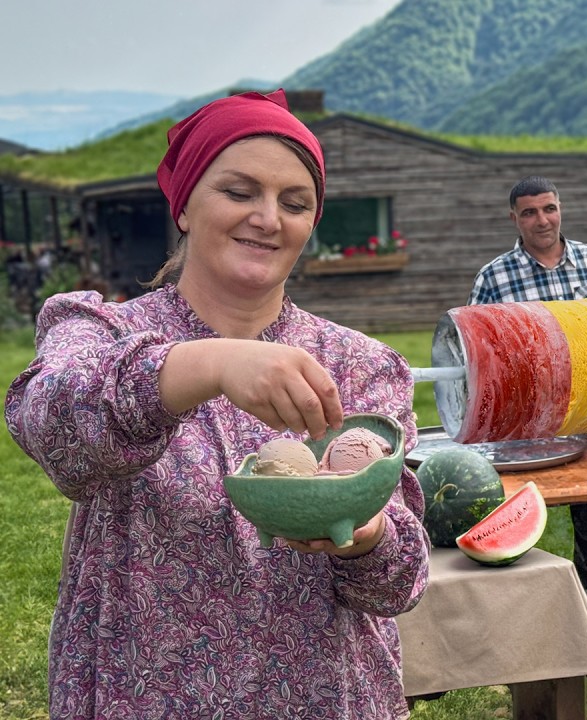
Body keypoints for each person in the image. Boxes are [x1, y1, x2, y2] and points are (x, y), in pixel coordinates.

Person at [4, 89, 429, 720]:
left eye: (295, 203)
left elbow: (400, 583)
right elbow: (56, 428)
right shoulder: (98, 332)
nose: (267, 217)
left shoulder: (357, 365)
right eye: (238, 191)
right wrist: (208, 364)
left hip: (322, 695)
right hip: (144, 692)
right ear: (183, 207)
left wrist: (361, 532)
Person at [468, 175, 587, 591]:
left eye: (549, 208)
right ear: (514, 218)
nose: (542, 220)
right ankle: (516, 593)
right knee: (513, 504)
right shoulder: (494, 277)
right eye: (530, 212)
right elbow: (477, 352)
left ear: (560, 209)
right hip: (527, 410)